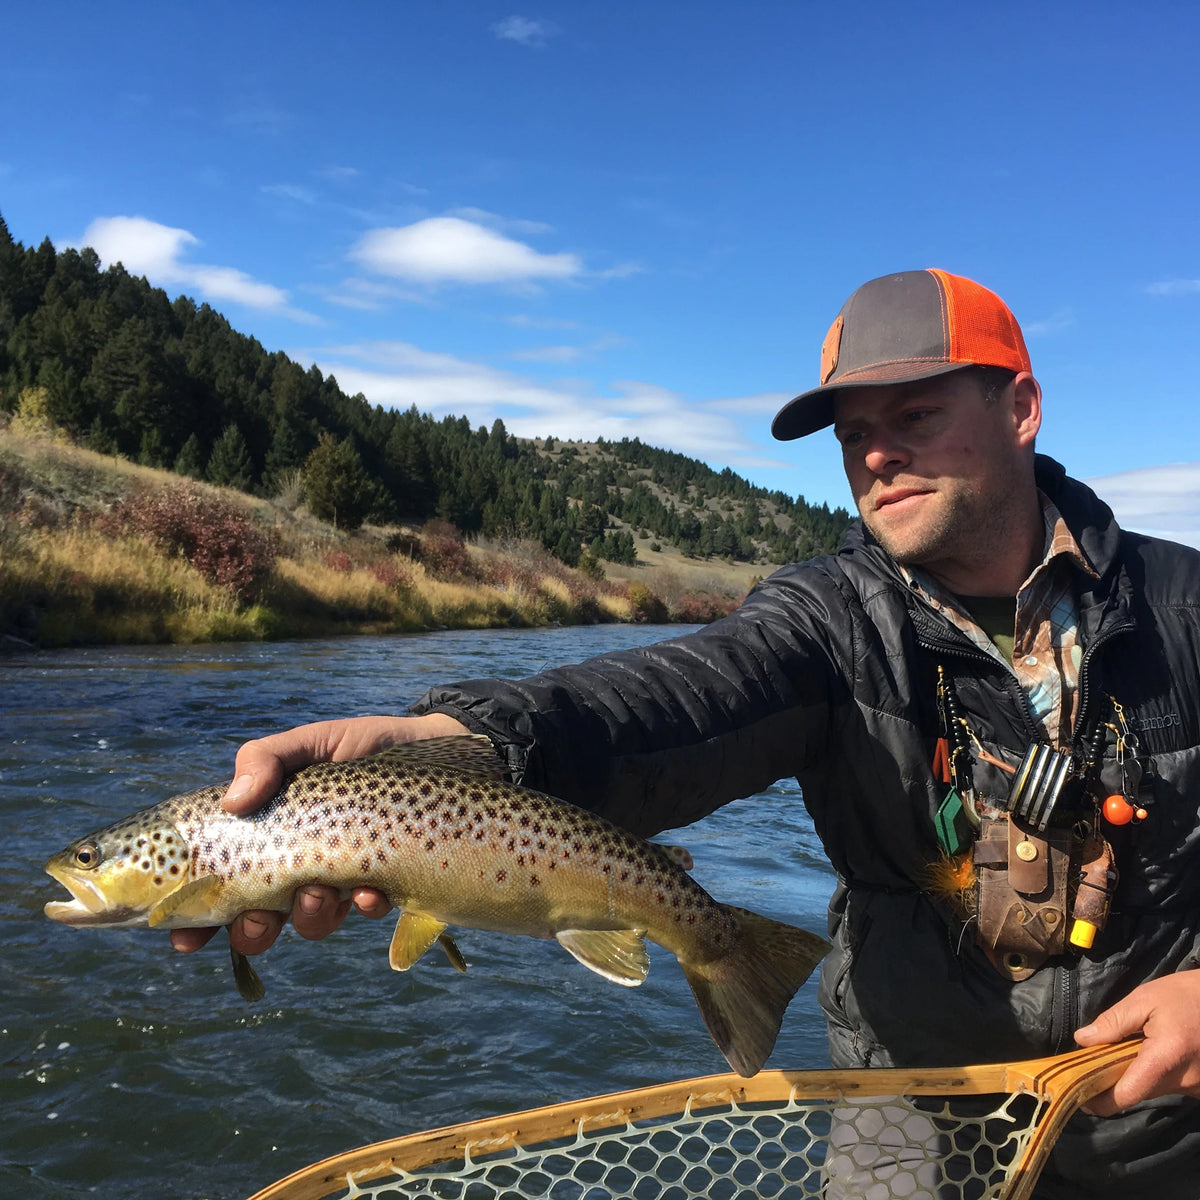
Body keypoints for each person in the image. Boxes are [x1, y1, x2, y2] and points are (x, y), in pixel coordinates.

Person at [172, 270, 1200, 1197]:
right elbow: (670, 698)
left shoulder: (1183, 605)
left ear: (1020, 408)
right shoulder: (827, 621)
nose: (879, 454)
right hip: (910, 1119)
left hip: (1169, 1133)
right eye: (852, 436)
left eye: (919, 415)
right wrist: (462, 741)